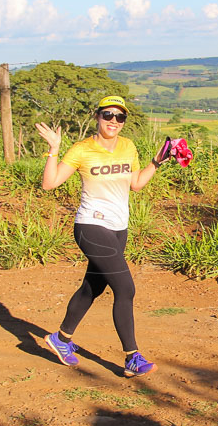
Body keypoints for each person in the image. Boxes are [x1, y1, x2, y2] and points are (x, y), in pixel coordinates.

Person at [34, 95, 171, 378]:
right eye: (107, 115)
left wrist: (156, 163)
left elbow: (136, 184)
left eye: (119, 117)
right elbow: (50, 183)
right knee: (125, 289)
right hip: (91, 227)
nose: (113, 121)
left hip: (119, 229)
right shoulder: (82, 149)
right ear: (97, 117)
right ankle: (132, 357)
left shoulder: (128, 146)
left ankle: (60, 339)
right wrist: (54, 150)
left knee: (92, 288)